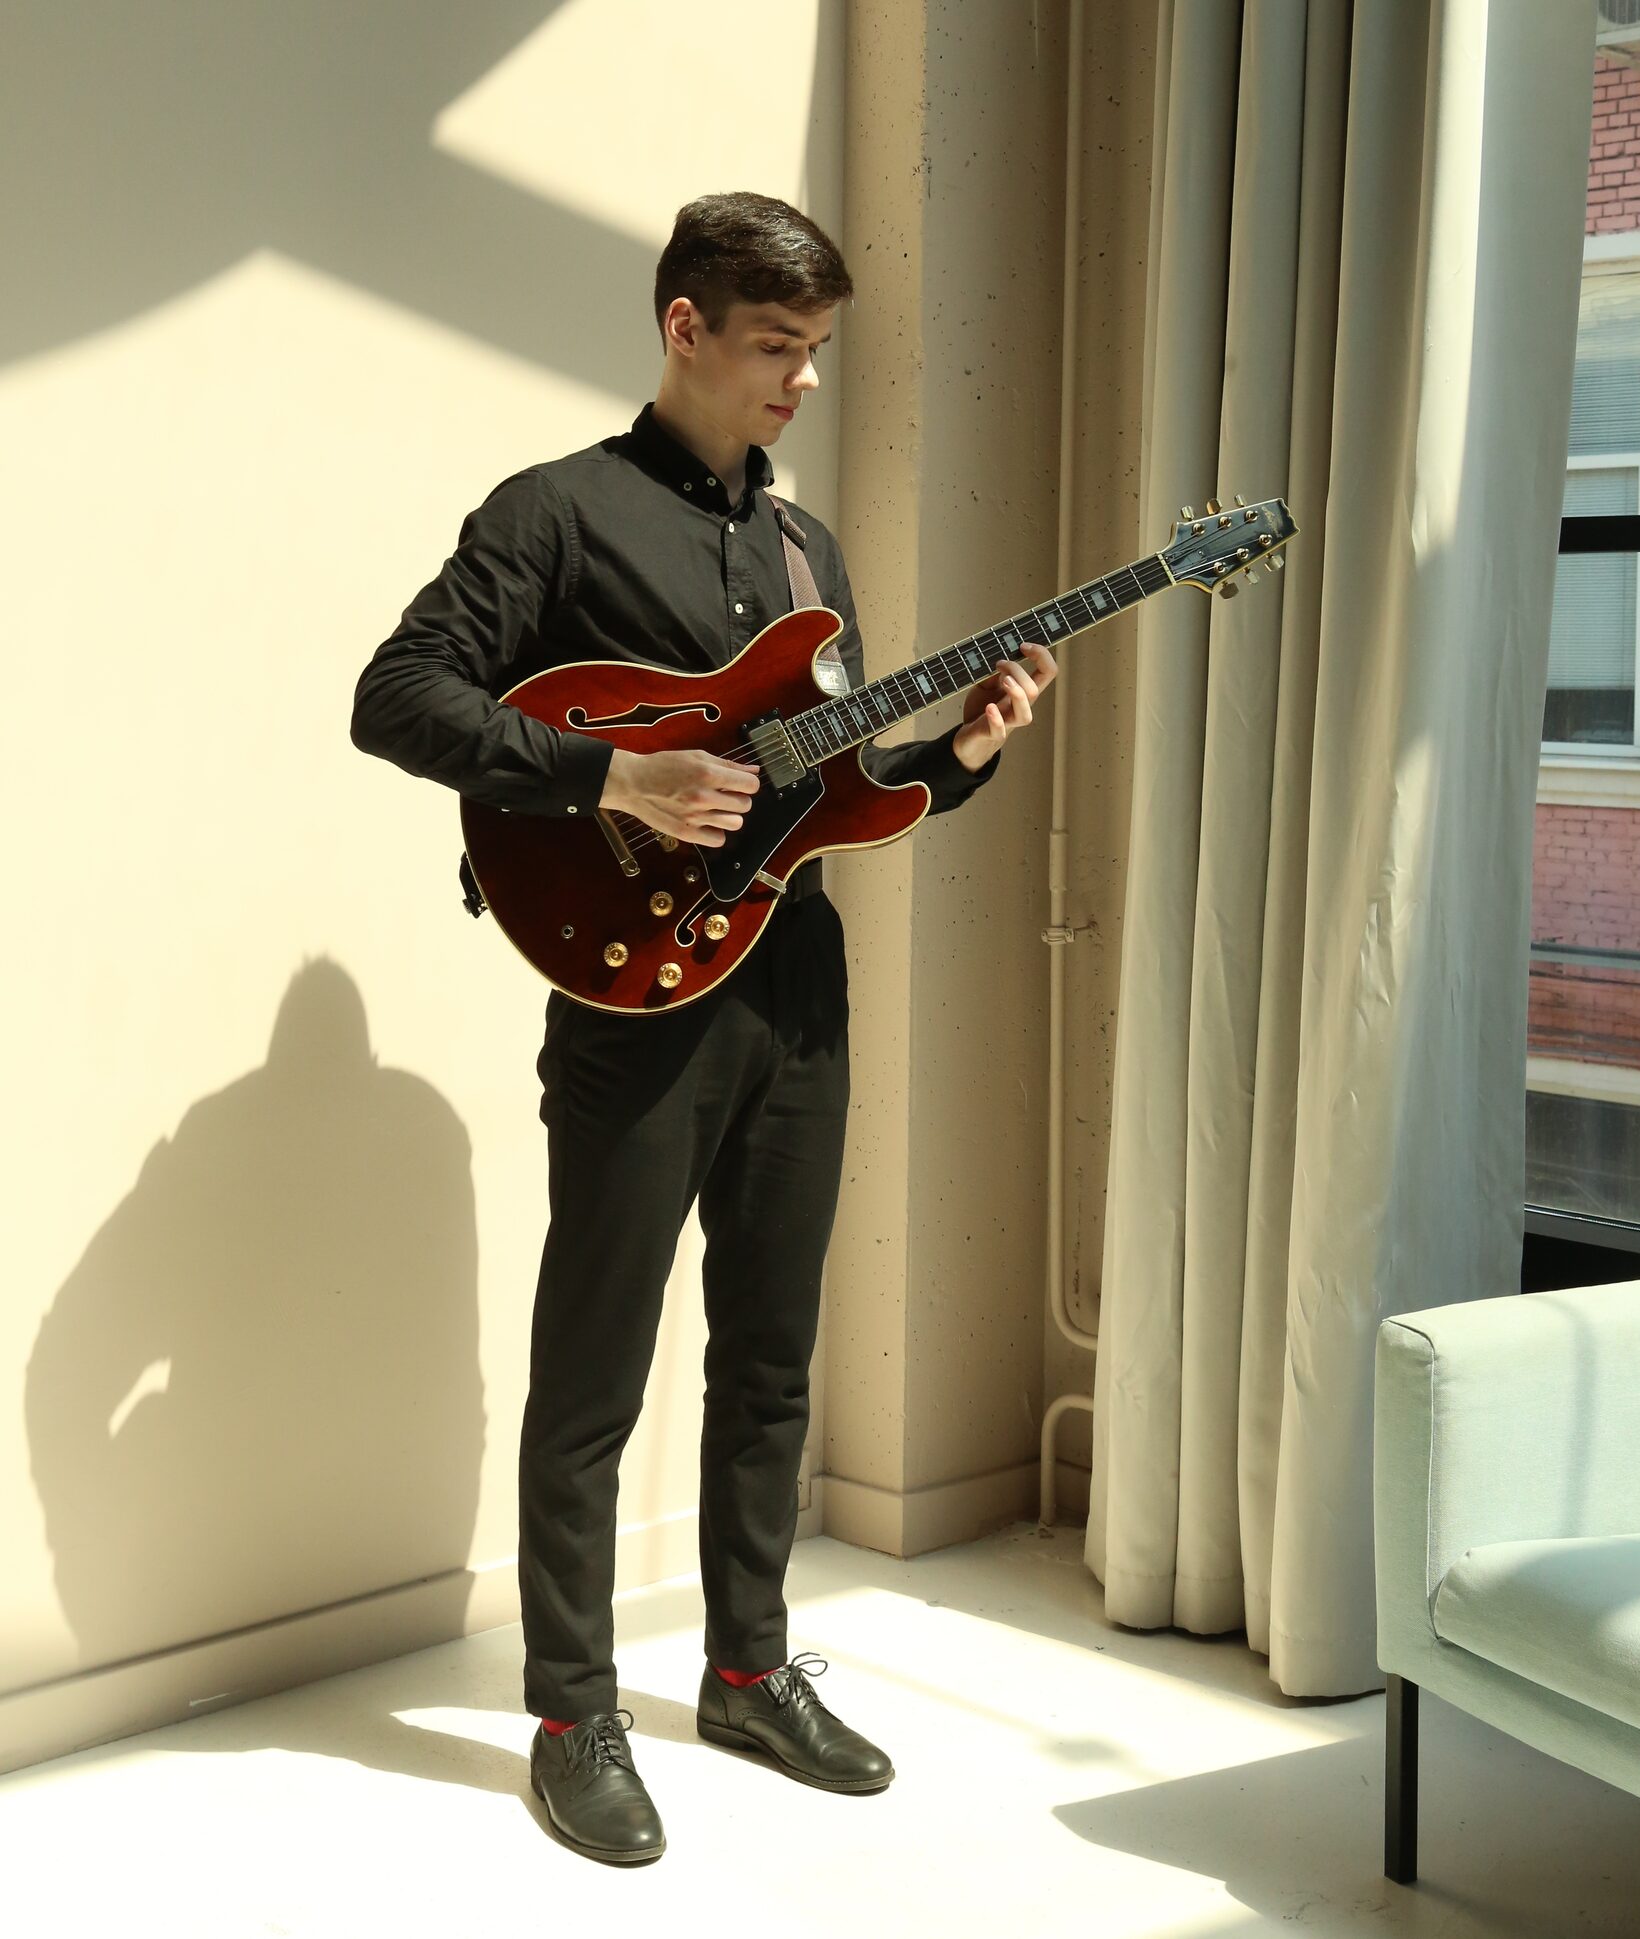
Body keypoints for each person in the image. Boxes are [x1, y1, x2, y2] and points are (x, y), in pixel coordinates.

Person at [349, 190, 1056, 1866]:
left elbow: (836, 795)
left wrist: (963, 751)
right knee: (595, 1365)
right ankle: (571, 1713)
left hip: (795, 990)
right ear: (685, 328)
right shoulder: (553, 515)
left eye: (817, 352)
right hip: (629, 1001)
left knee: (773, 1353)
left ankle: (747, 1671)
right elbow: (396, 697)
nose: (804, 382)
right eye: (778, 349)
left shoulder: (808, 555)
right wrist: (616, 774)